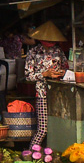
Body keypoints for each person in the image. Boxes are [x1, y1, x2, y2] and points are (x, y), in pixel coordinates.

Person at [24, 21, 69, 149]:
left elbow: (66, 67)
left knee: (58, 127)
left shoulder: (58, 51)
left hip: (58, 93)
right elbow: (28, 76)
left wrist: (61, 73)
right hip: (42, 93)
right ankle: (31, 153)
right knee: (43, 129)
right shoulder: (33, 52)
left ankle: (54, 152)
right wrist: (45, 74)